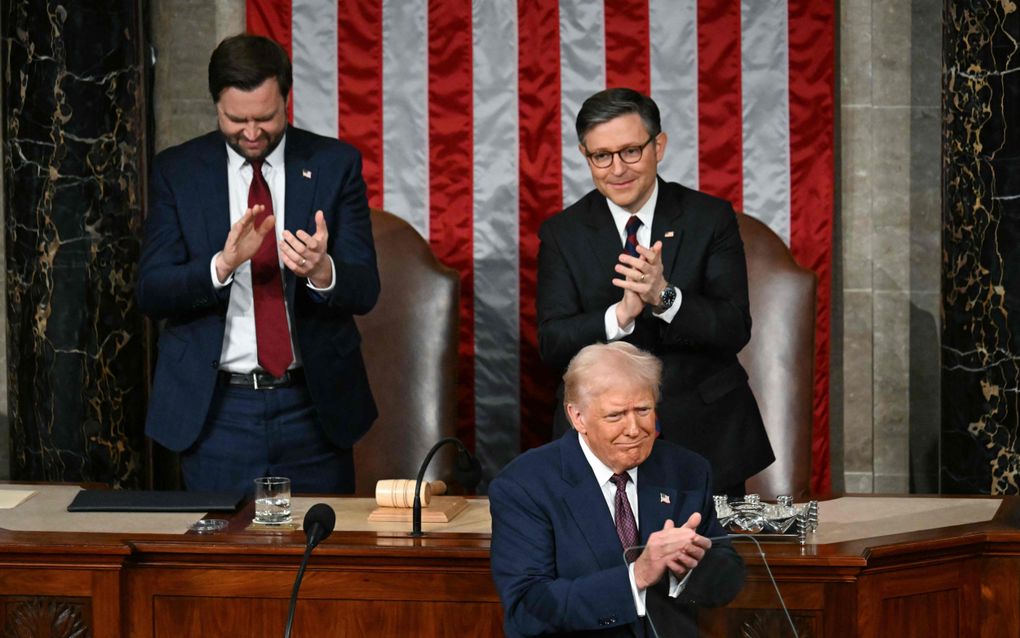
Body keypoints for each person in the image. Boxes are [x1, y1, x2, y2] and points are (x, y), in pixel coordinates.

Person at [136, 34, 379, 494]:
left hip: (313, 407)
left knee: (320, 555)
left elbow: (366, 288)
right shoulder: (178, 171)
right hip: (216, 411)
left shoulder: (334, 164)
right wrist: (220, 266)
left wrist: (321, 270)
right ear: (215, 106)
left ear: (286, 100)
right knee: (218, 561)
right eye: (235, 119)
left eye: (265, 118)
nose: (251, 132)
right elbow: (151, 290)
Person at [536, 87, 773, 496]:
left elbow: (733, 327)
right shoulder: (564, 233)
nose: (617, 169)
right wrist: (621, 316)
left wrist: (664, 296)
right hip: (601, 439)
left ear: (658, 145)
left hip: (706, 434)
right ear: (584, 155)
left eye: (631, 151)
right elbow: (553, 344)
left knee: (705, 560)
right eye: (601, 156)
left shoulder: (708, 217)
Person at [490, 342, 744, 638]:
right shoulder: (525, 485)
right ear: (578, 417)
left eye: (643, 410)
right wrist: (635, 577)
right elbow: (527, 609)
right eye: (616, 415)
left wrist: (688, 569)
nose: (634, 429)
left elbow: (728, 578)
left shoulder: (687, 471)